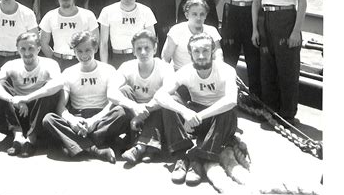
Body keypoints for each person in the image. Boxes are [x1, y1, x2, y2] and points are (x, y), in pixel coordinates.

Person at [155, 33, 238, 186]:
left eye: (205, 51)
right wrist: (184, 111)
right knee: (170, 101)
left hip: (219, 120)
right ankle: (181, 156)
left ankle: (198, 159)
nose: (201, 56)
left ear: (213, 51)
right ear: (190, 54)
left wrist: (198, 116)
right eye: (196, 52)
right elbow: (159, 95)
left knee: (228, 110)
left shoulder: (226, 70)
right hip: (195, 117)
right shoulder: (186, 71)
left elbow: (231, 100)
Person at [42, 31, 129, 164]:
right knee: (48, 119)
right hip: (78, 117)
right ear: (73, 51)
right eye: (79, 51)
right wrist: (72, 121)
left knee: (121, 113)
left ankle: (78, 143)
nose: (84, 55)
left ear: (95, 48)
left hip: (103, 116)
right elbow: (61, 106)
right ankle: (94, 148)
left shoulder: (108, 69)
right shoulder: (68, 72)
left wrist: (94, 120)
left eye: (88, 50)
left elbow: (112, 101)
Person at [251, 0, 307, 123]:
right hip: (266, 19)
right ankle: (270, 112)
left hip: (286, 19)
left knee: (287, 71)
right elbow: (256, 1)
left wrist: (296, 31)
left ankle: (288, 115)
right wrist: (255, 29)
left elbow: (302, 2)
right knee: (267, 70)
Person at [0, 32, 64, 157]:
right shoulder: (12, 64)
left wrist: (26, 98)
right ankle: (17, 135)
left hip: (38, 109)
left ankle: (31, 138)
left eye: (31, 48)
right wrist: (13, 99)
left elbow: (59, 83)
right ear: (17, 50)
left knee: (52, 89)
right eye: (23, 49)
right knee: (0, 84)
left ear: (39, 49)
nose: (27, 53)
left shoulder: (49, 64)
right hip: (17, 110)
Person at [108, 30, 175, 165]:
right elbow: (111, 92)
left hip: (156, 112)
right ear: (133, 51)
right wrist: (134, 107)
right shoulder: (127, 66)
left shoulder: (165, 67)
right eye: (139, 48)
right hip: (134, 111)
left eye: (147, 48)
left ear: (155, 48)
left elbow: (169, 91)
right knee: (124, 90)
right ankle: (149, 148)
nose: (143, 52)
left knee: (164, 98)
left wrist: (142, 113)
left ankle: (139, 147)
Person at [39, 0, 99, 71]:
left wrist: (84, 59)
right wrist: (55, 59)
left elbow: (95, 43)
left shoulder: (88, 15)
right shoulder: (49, 16)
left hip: (82, 63)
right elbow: (43, 42)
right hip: (59, 63)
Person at [98, 0, 156, 68]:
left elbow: (152, 40)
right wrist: (104, 67)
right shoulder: (107, 11)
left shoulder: (146, 11)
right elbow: (103, 43)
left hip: (139, 57)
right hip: (117, 58)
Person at [162, 0, 222, 71]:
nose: (198, 18)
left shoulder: (212, 30)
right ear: (187, 15)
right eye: (194, 14)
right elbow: (165, 58)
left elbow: (218, 54)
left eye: (202, 14)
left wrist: (220, 69)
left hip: (204, 74)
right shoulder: (176, 30)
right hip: (181, 74)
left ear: (206, 15)